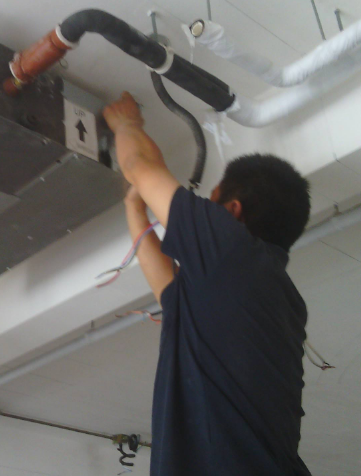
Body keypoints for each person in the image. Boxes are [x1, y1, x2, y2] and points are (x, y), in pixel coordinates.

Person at [103, 92, 312, 475]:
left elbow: (141, 165)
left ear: (232, 212)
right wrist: (134, 207)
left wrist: (127, 124)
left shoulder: (236, 257)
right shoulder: (271, 296)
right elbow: (169, 289)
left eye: (209, 201)